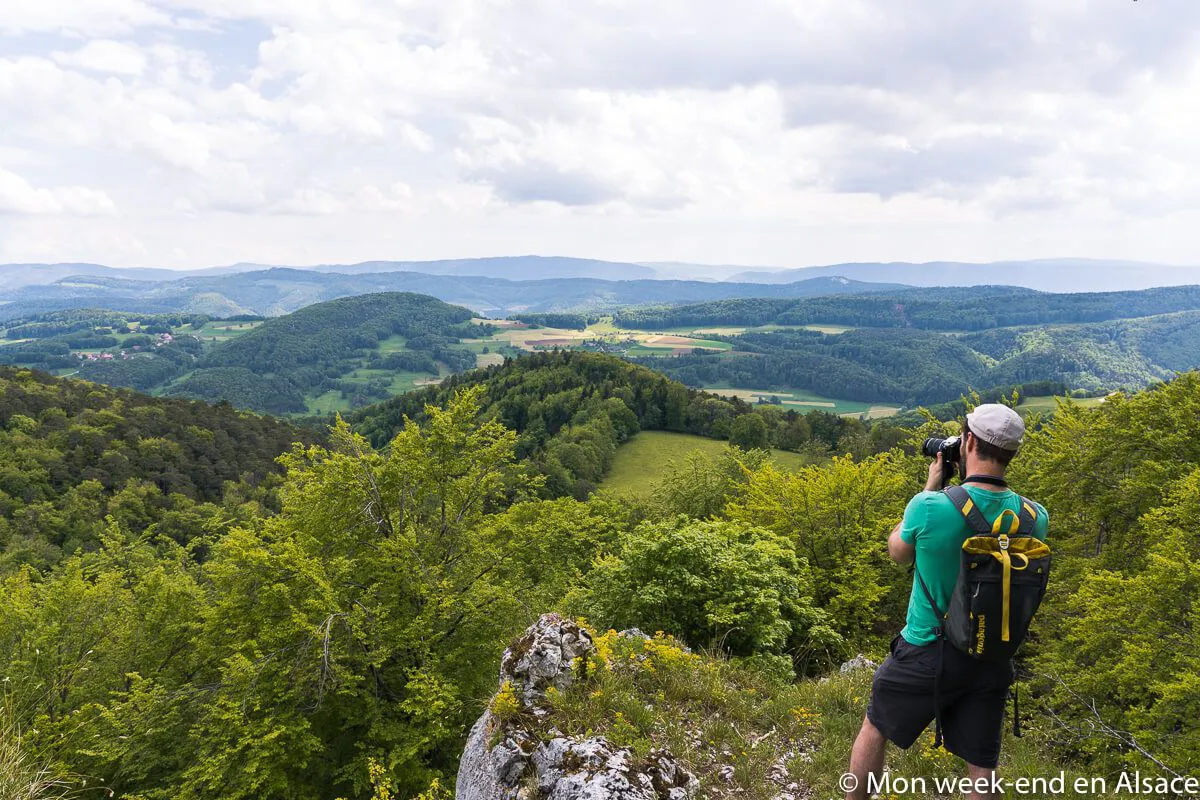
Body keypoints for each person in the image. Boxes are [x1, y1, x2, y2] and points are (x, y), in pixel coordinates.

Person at [845, 404, 1049, 800]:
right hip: (992, 655)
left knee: (875, 728)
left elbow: (898, 552)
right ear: (1012, 454)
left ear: (968, 441)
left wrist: (930, 487)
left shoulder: (931, 507)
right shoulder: (1034, 517)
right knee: (981, 767)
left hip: (927, 649)